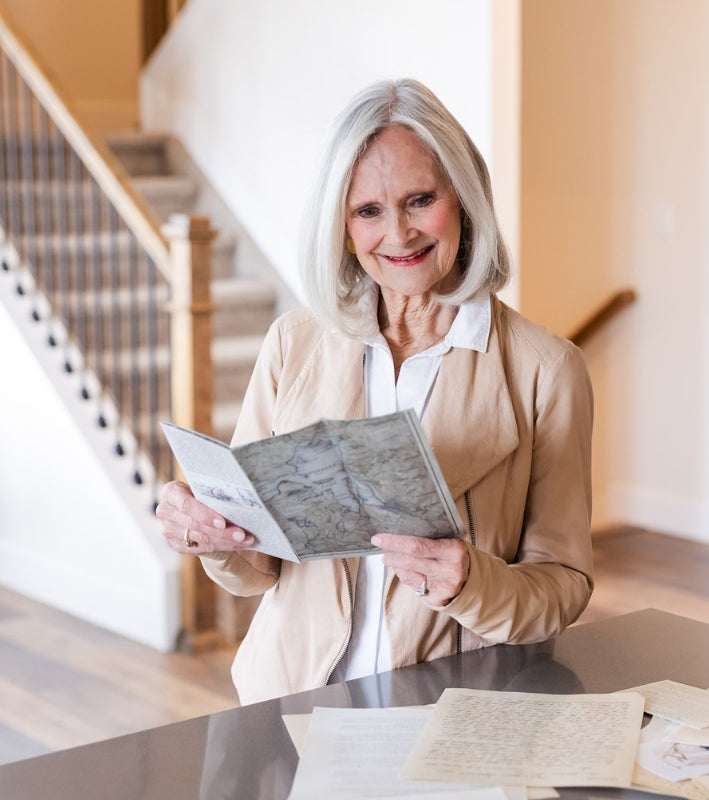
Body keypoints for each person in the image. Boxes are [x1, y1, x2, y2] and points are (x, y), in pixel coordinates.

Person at [156, 78, 594, 705]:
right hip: (290, 708)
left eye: (420, 200)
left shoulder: (547, 371)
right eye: (368, 211)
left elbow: (564, 585)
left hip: (449, 713)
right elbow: (257, 570)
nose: (399, 234)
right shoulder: (292, 343)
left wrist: (472, 583)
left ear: (464, 201)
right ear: (342, 225)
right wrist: (214, 535)